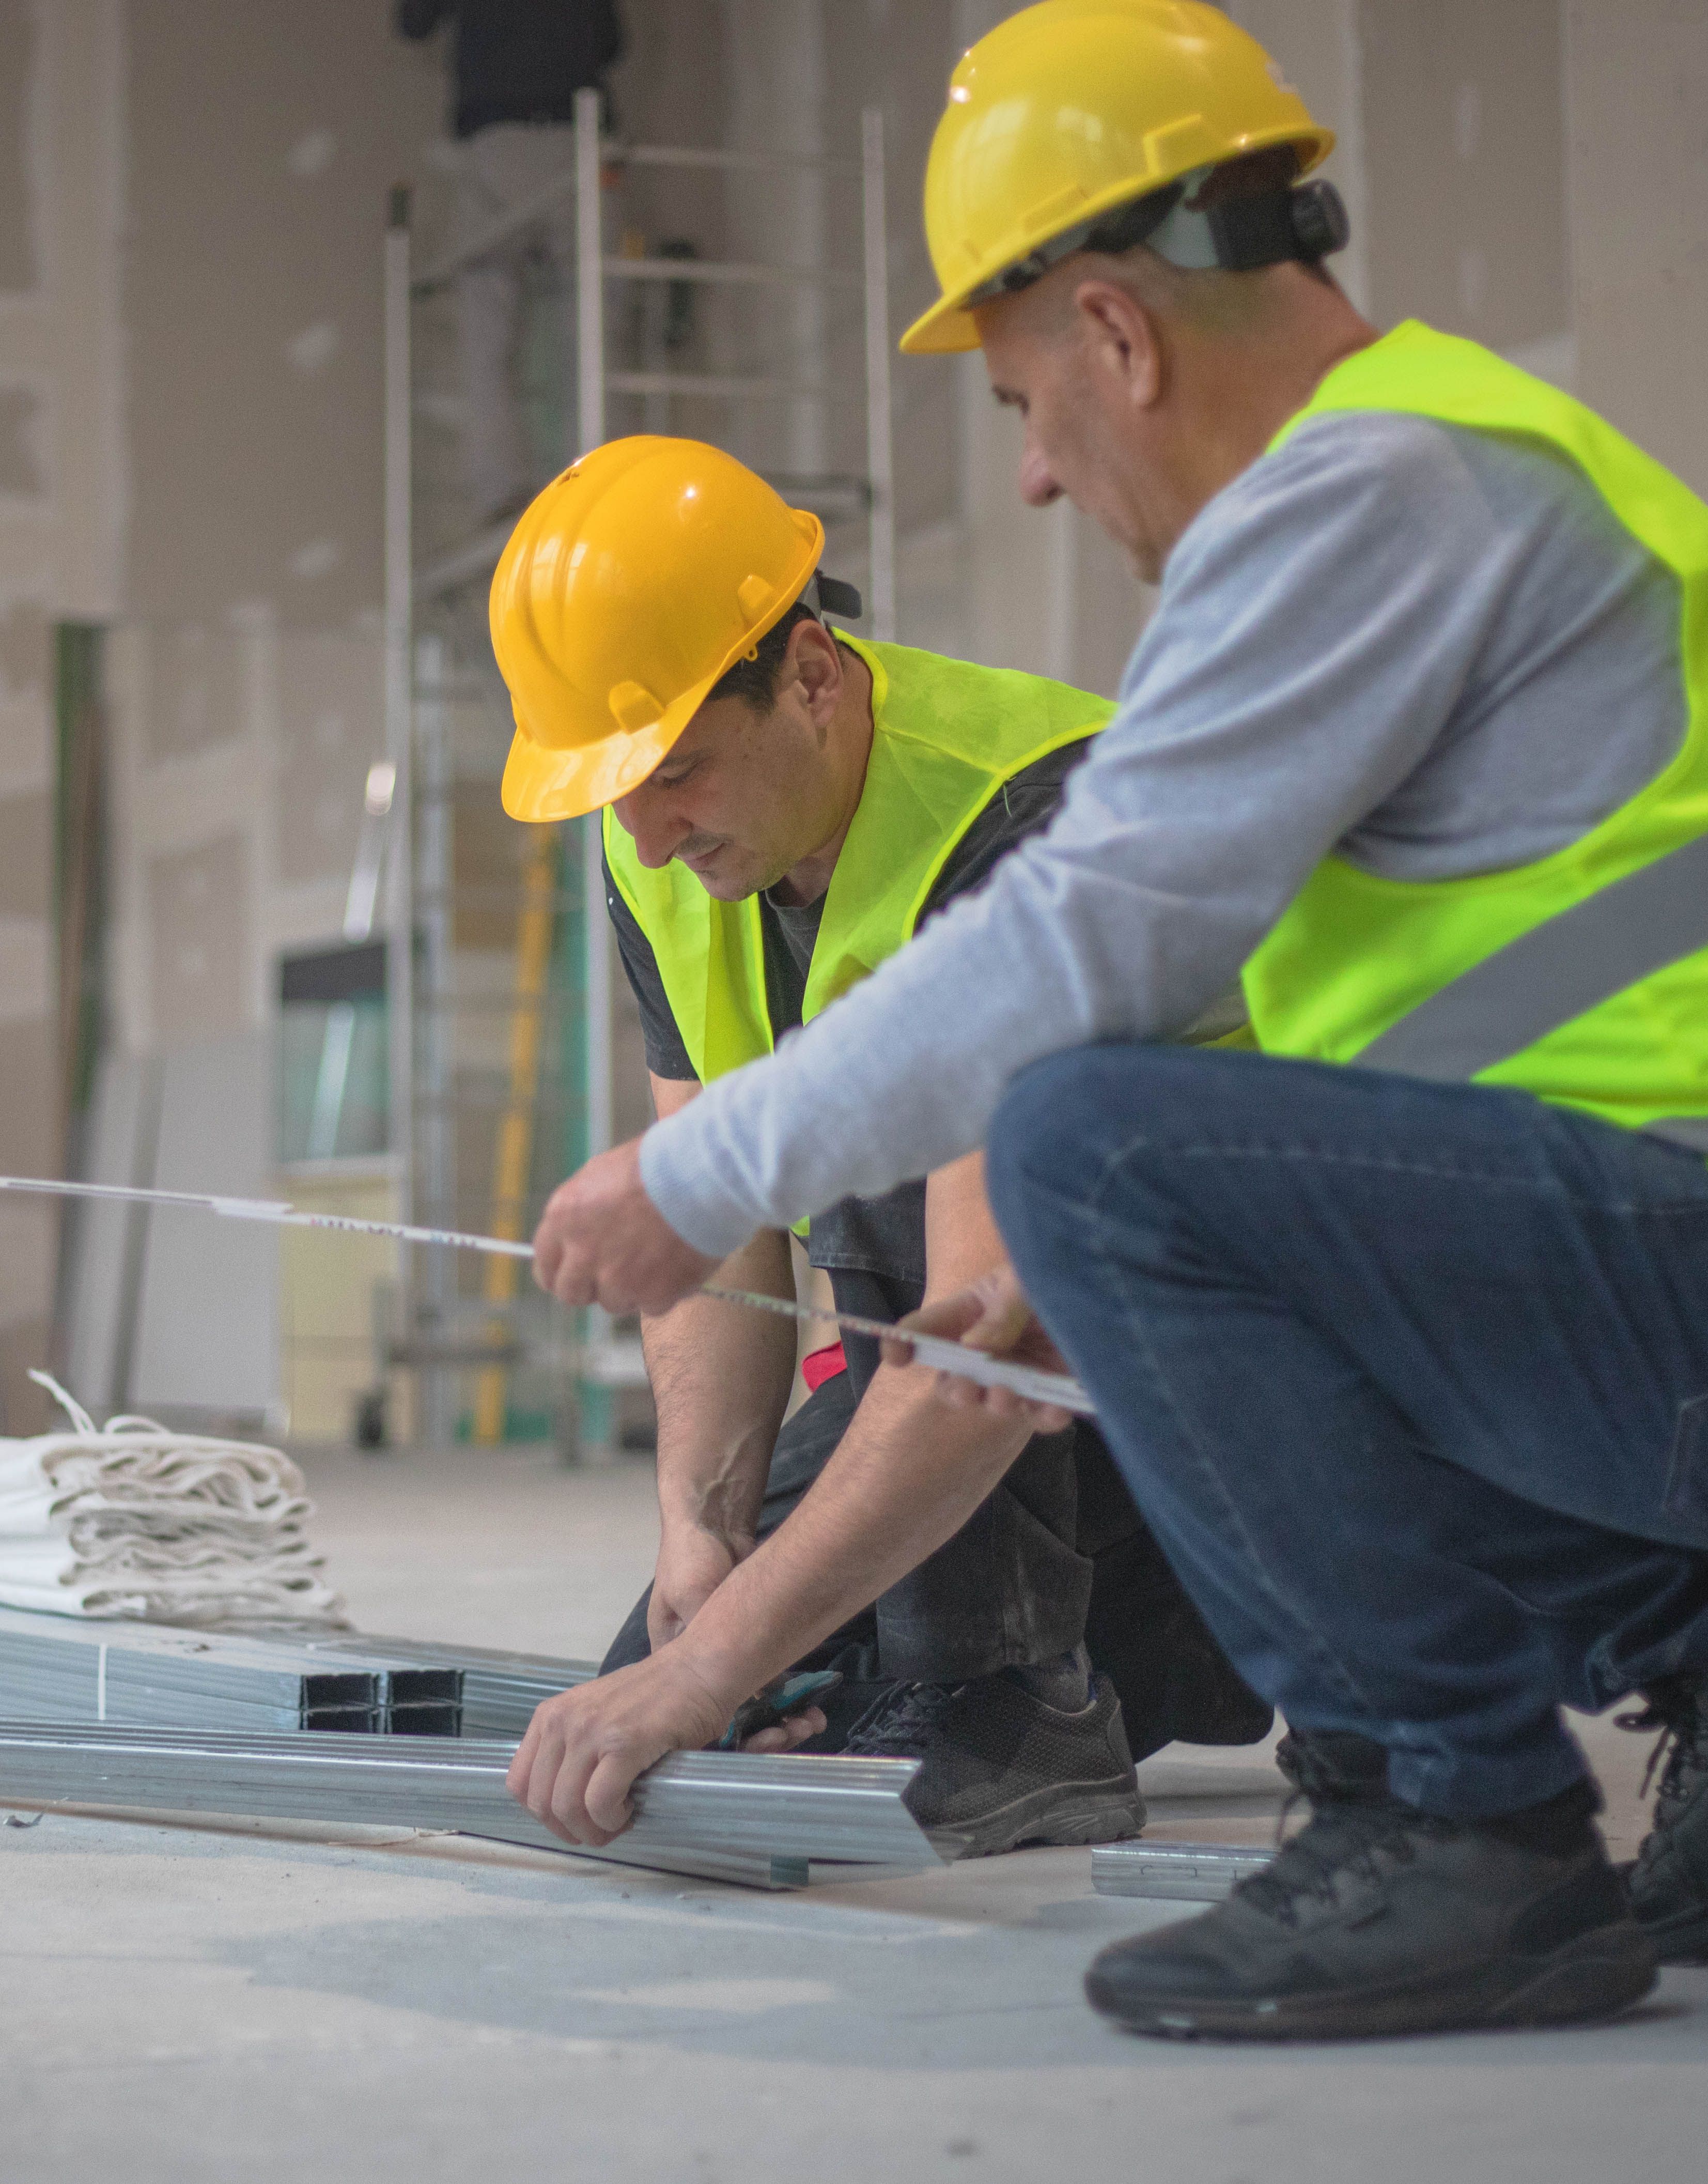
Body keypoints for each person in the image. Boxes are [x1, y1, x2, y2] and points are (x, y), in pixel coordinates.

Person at [508, 0, 1708, 2042]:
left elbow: (1088, 938)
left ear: (1115, 333)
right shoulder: (1431, 466)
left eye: (1024, 399)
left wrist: (698, 1168)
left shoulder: (1360, 500)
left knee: (1092, 1145)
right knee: (1184, 1173)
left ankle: (1453, 1831)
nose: (1029, 472)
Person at [488, 437, 1272, 1858]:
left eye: (677, 774)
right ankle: (1006, 1669)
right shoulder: (653, 850)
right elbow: (711, 1215)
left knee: (716, 1680)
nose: (650, 840)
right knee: (675, 1701)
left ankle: (1018, 1688)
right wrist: (699, 1531)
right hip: (1053, 1435)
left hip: (1227, 1427)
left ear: (810, 674)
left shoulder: (1030, 820)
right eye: (617, 791)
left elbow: (983, 1341)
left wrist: (710, 1664)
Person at [396, 0, 622, 522]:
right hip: (577, 135)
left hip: (497, 137)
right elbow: (611, 43)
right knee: (590, 327)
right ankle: (600, 485)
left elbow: (413, 23)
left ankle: (500, 490)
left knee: (487, 327)